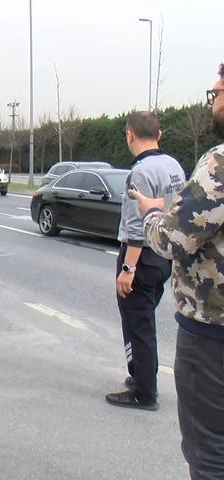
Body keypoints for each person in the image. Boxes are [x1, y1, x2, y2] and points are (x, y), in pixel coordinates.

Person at [131, 63, 224, 479]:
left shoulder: (218, 165)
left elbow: (173, 239)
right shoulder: (177, 164)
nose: (214, 101)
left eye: (217, 92)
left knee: (209, 452)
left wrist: (153, 214)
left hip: (212, 333)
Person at [106, 111, 186, 411]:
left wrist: (128, 268)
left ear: (129, 135)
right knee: (144, 319)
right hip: (165, 256)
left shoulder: (139, 173)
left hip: (141, 257)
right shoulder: (174, 166)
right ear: (159, 135)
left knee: (138, 323)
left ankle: (144, 391)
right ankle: (141, 375)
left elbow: (135, 229)